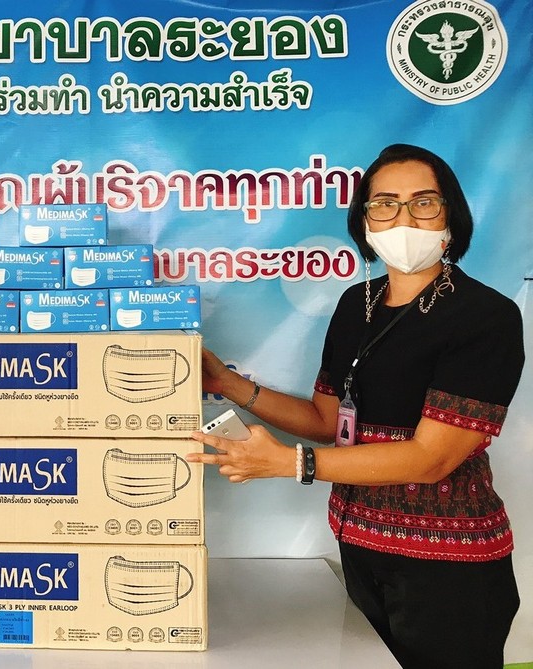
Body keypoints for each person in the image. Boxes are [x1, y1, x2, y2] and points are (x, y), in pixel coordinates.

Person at [188, 144, 524, 669]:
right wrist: (227, 384)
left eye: (423, 203)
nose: (403, 219)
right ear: (364, 220)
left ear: (451, 217)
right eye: (385, 203)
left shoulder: (485, 316)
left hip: (448, 567)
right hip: (360, 548)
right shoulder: (355, 305)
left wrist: (290, 463)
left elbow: (432, 458)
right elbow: (327, 420)